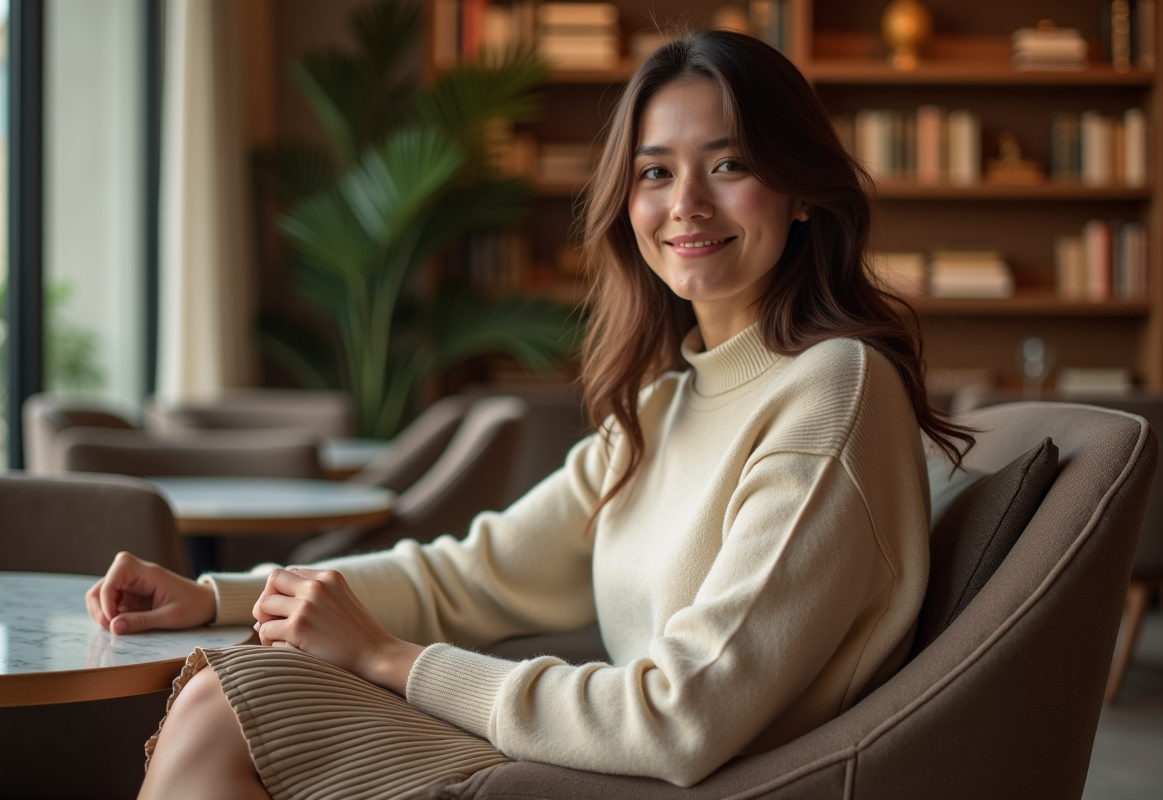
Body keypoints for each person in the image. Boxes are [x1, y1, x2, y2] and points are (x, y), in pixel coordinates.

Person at [88, 30, 972, 799]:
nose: (686, 204)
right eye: (655, 172)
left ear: (802, 191)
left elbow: (682, 718)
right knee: (229, 689)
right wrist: (218, 595)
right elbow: (470, 575)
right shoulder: (665, 406)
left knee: (233, 704)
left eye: (729, 164)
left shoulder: (832, 389)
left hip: (716, 783)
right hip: (628, 764)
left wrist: (389, 659)